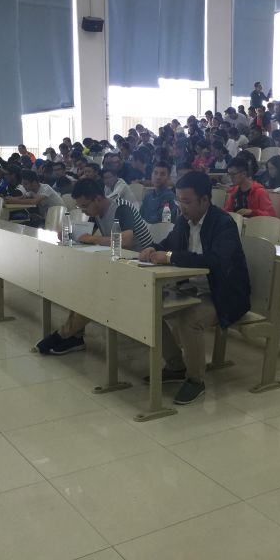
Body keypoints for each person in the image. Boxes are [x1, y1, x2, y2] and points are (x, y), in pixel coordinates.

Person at [138, 171, 250, 404]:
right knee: (150, 307)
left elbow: (215, 261)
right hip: (191, 288)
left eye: (187, 201)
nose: (182, 206)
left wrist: (170, 256)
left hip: (222, 294)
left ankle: (195, 380)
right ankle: (176, 365)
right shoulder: (184, 220)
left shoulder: (223, 224)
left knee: (190, 317)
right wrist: (153, 249)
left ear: (205, 200)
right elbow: (169, 244)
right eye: (179, 200)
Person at [35, 179, 154, 355]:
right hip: (121, 263)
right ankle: (73, 337)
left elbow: (126, 241)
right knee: (82, 283)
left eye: (84, 206)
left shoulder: (121, 207)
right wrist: (68, 234)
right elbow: (85, 234)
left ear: (97, 199)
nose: (83, 211)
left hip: (143, 267)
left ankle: (65, 335)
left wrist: (92, 239)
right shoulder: (96, 211)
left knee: (94, 290)